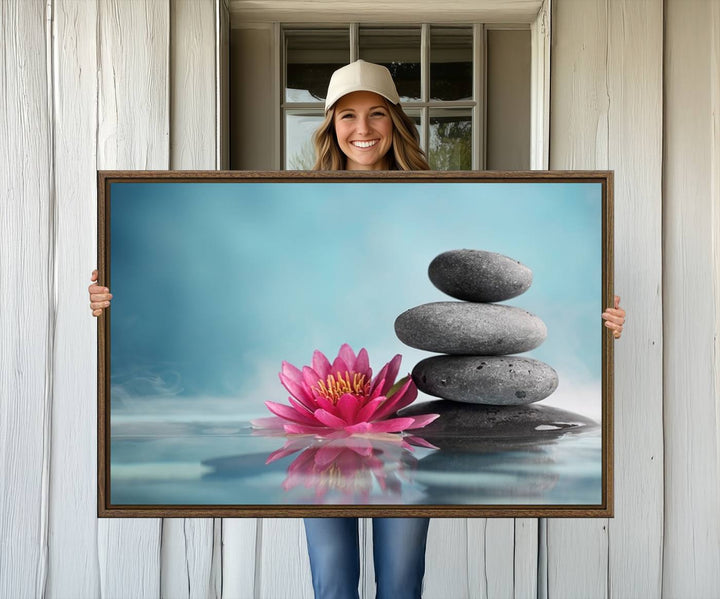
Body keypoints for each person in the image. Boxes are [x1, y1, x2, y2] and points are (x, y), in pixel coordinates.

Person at [88, 60, 627, 598]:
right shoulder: (289, 197)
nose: (362, 129)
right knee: (332, 584)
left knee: (400, 583)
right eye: (347, 116)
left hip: (410, 410)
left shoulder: (440, 194)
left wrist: (604, 320)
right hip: (317, 414)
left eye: (376, 115)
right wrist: (108, 298)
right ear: (330, 125)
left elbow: (495, 286)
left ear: (395, 121)